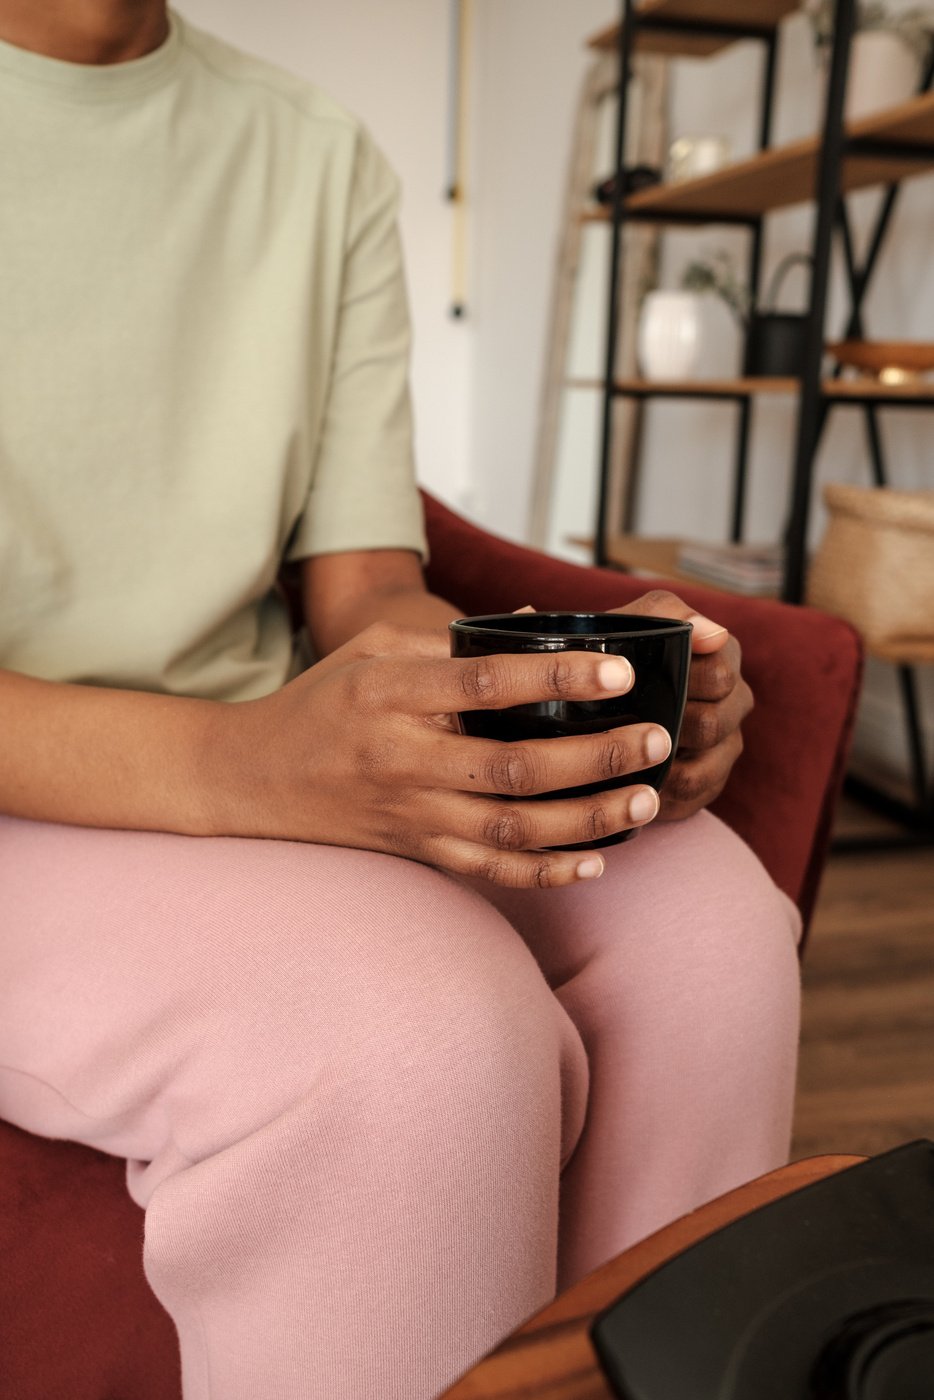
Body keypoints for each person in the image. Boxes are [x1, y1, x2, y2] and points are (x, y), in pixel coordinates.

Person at [0, 4, 802, 1397]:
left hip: (249, 746)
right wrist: (241, 770)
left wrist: (548, 699)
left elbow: (364, 591)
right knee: (415, 1036)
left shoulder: (311, 151)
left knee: (708, 928)